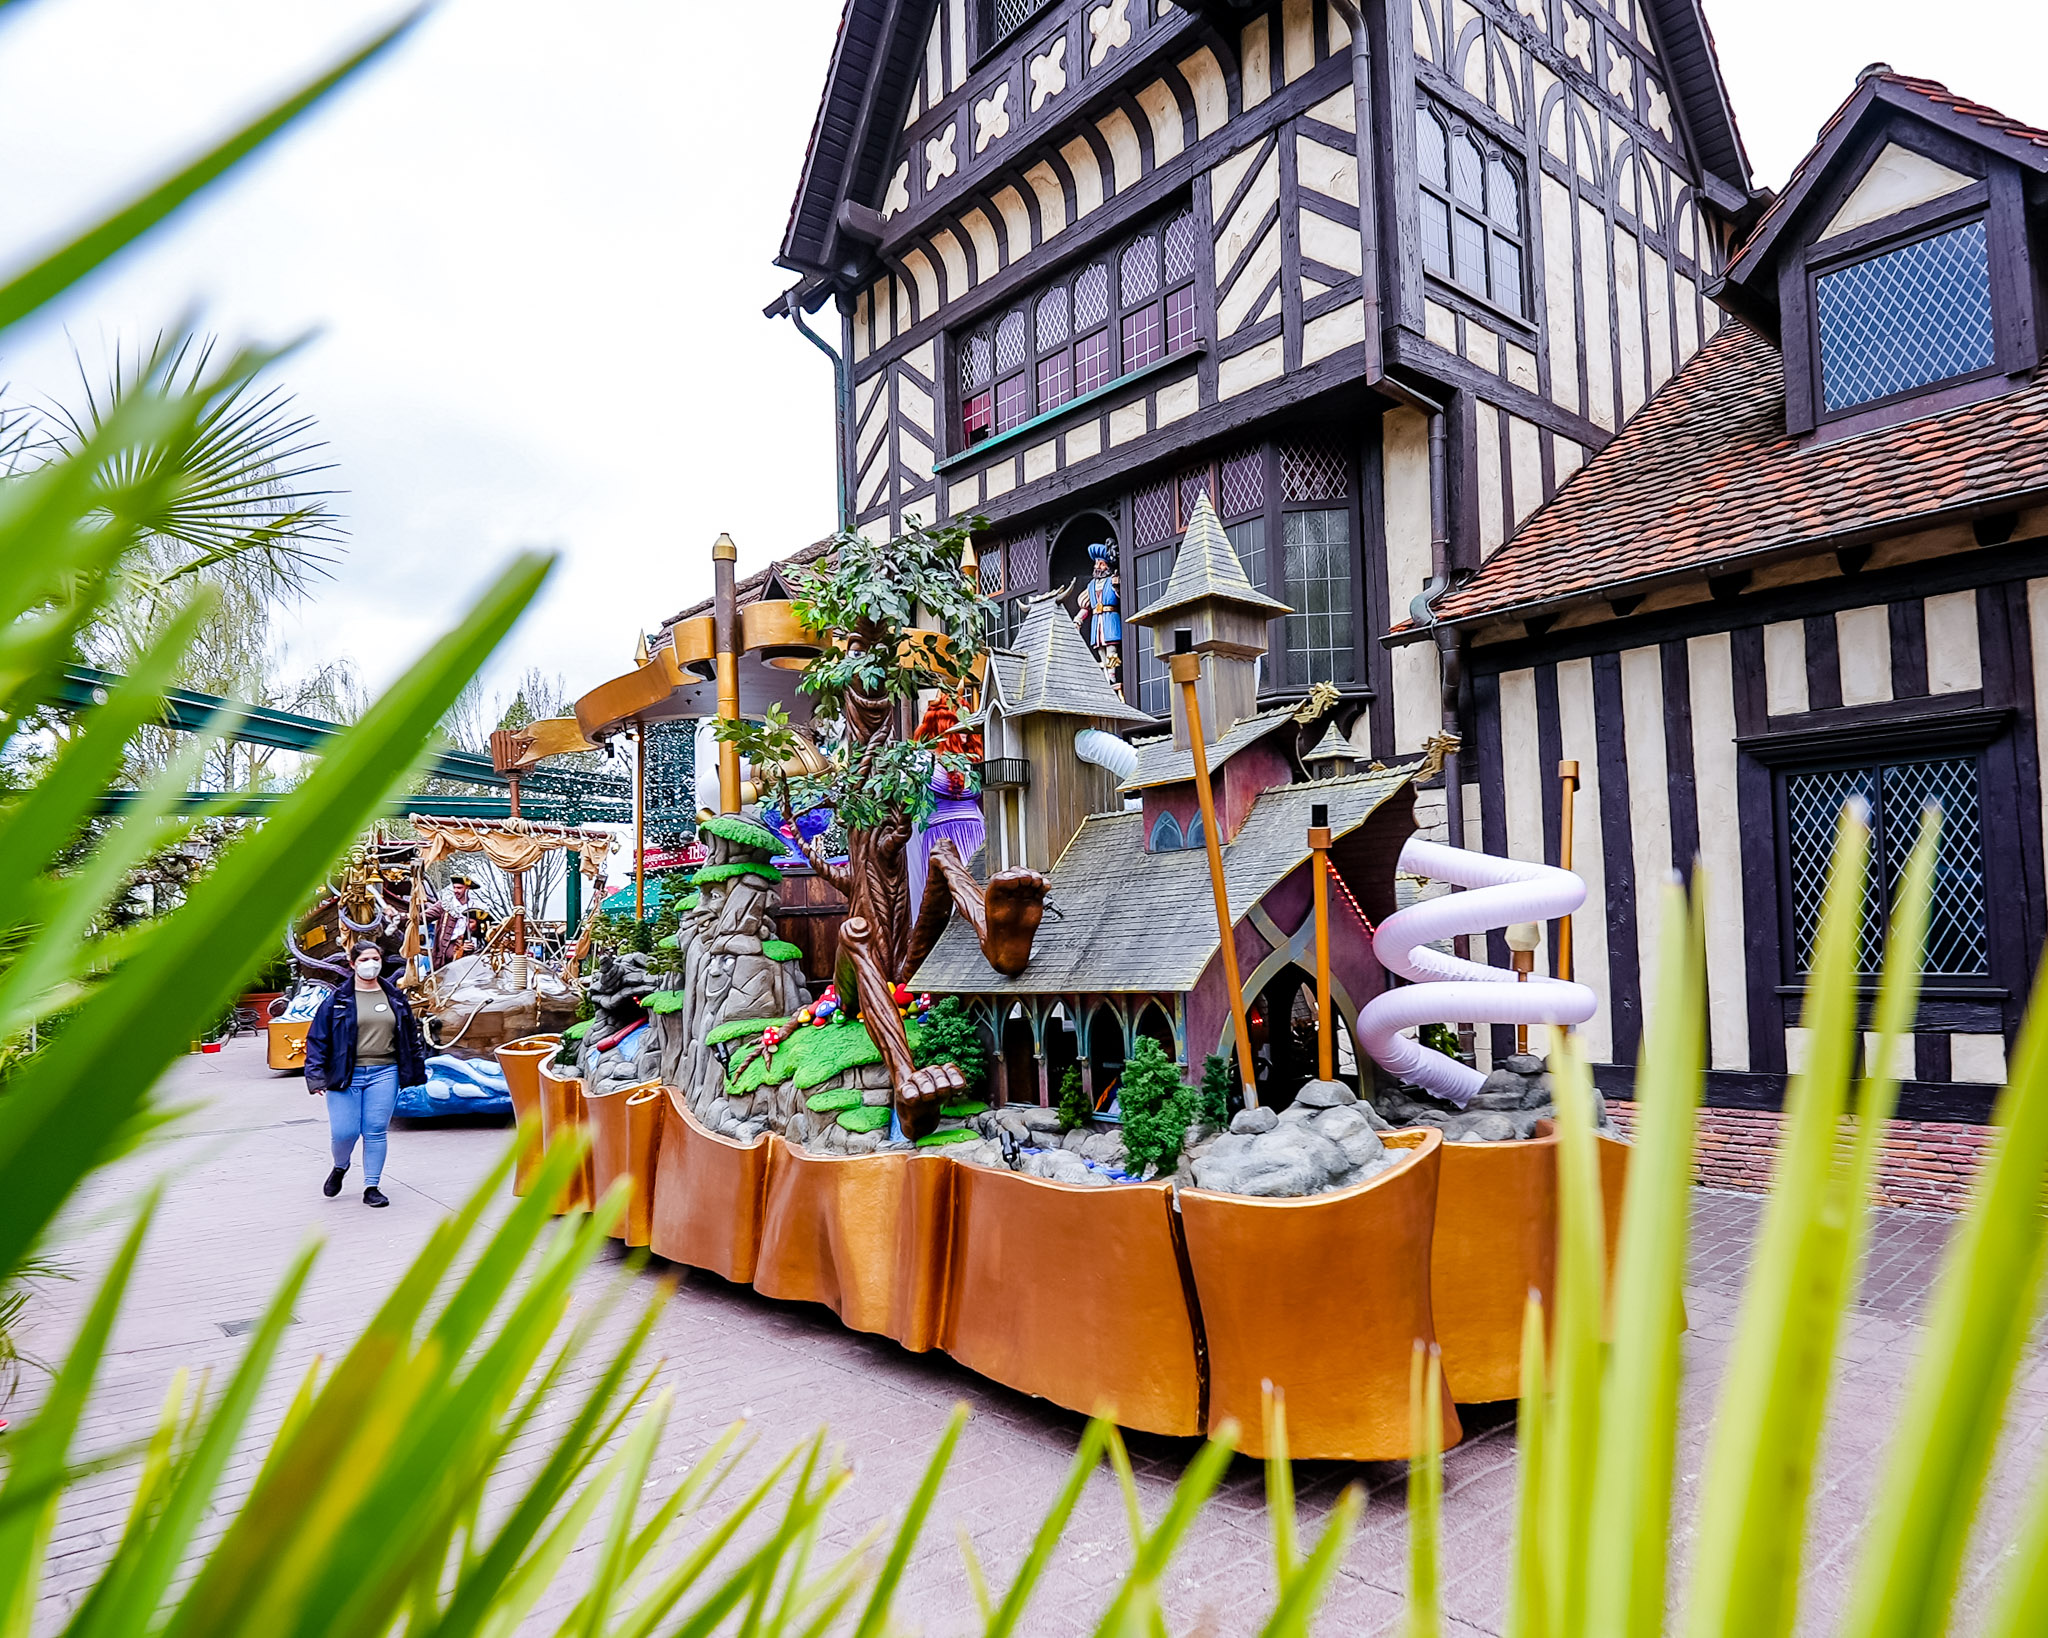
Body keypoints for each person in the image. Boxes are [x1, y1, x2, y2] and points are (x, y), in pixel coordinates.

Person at [303, 939, 427, 1207]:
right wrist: (315, 1077)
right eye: (364, 960)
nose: (371, 964)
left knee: (375, 1131)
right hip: (345, 1074)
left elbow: (410, 1038)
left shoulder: (395, 998)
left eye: (375, 959)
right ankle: (340, 1166)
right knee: (344, 1132)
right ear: (352, 964)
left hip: (385, 1072)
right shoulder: (337, 1001)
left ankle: (372, 1186)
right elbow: (317, 1039)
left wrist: (416, 1072)